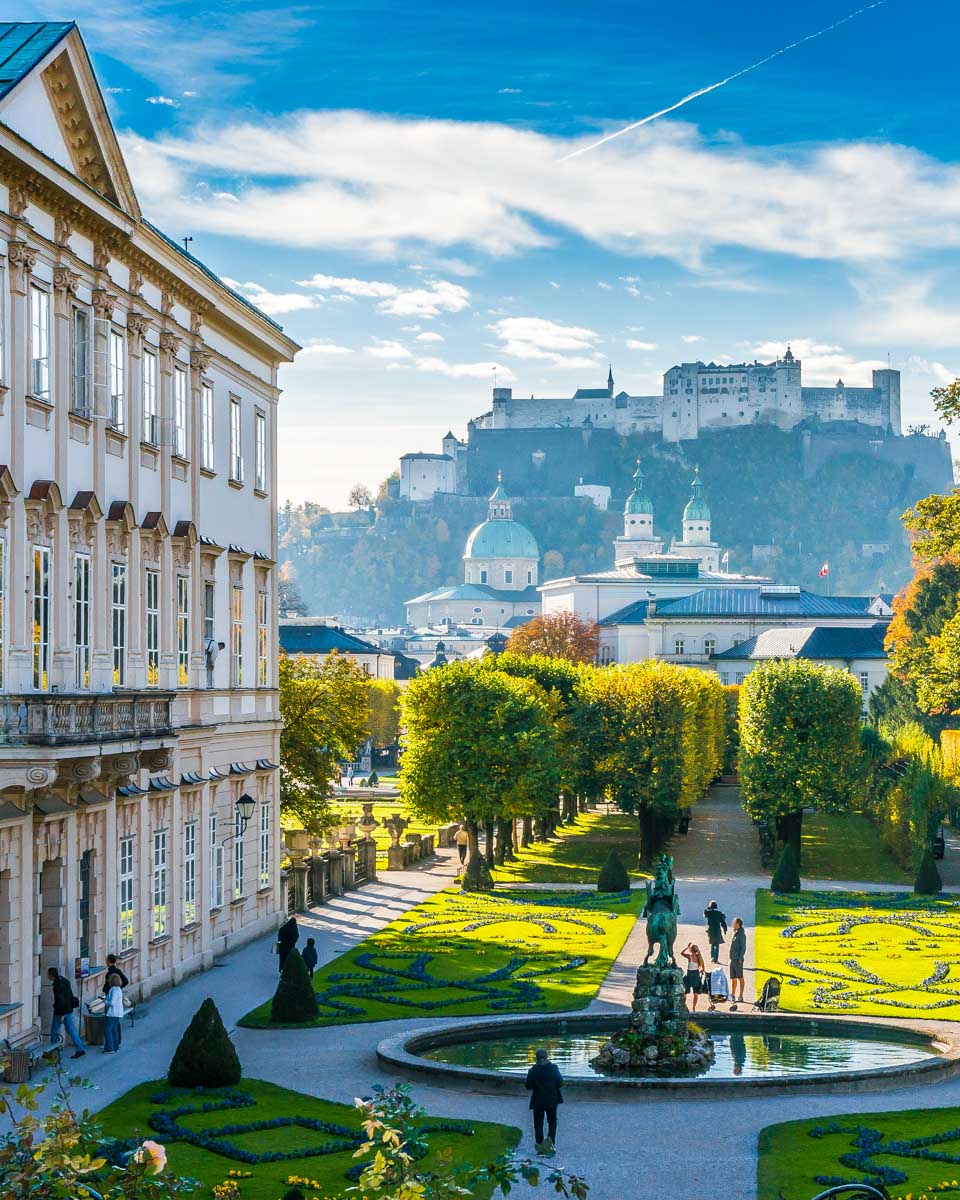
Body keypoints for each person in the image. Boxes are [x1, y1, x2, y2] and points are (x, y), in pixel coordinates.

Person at [525, 1047, 563, 1154]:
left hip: (538, 1101)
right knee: (552, 1122)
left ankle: (540, 1148)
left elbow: (528, 1086)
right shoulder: (554, 1068)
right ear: (547, 1057)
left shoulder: (532, 1070)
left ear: (536, 1058)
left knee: (538, 1124)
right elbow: (560, 1083)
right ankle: (550, 1146)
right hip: (552, 1100)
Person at [47, 967, 85, 1058]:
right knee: (71, 1030)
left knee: (54, 1032)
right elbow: (69, 995)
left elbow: (60, 1000)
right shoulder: (65, 981)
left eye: (48, 975)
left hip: (60, 1012)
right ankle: (80, 1048)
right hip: (69, 1009)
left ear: (51, 975)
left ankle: (53, 1054)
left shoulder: (57, 985)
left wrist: (62, 1015)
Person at [680, 942, 706, 1012]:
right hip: (696, 975)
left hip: (690, 975)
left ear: (691, 950)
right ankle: (694, 1008)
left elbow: (682, 953)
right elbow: (703, 967)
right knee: (695, 993)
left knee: (685, 992)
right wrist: (701, 970)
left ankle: (683, 1006)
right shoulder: (699, 957)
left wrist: (687, 947)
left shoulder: (690, 956)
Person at [103, 972, 124, 1053]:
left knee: (107, 1030)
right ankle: (115, 1047)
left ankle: (110, 1048)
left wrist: (105, 1001)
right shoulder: (119, 989)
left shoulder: (114, 990)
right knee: (114, 1030)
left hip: (112, 1013)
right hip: (118, 1013)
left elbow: (112, 1003)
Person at [729, 917, 747, 1008]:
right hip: (732, 959)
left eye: (734, 923)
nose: (733, 924)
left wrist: (740, 958)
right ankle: (732, 995)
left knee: (740, 977)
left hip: (737, 959)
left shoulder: (741, 935)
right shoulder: (735, 932)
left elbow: (743, 947)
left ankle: (741, 995)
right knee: (733, 978)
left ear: (738, 924)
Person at [704, 900, 728, 964]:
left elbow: (705, 913)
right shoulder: (719, 913)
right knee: (716, 944)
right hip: (717, 930)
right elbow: (723, 922)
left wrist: (708, 908)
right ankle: (716, 959)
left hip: (710, 929)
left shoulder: (708, 912)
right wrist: (725, 929)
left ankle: (712, 957)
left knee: (712, 944)